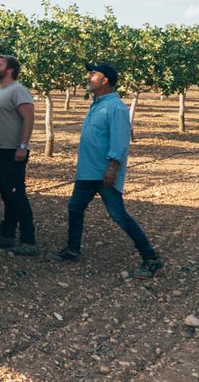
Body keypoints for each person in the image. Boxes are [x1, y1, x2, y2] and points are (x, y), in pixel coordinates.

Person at [57, 62, 163, 278]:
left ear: (104, 80)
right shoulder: (96, 103)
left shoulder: (115, 107)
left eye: (93, 74)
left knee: (118, 215)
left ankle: (151, 257)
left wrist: (112, 167)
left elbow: (120, 140)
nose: (89, 77)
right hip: (88, 171)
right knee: (75, 208)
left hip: (104, 173)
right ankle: (73, 249)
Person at [0, 54, 38, 256]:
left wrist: (22, 146)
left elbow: (29, 118)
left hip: (13, 152)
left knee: (17, 194)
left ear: (10, 69)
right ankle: (7, 235)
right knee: (7, 195)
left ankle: (29, 241)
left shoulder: (18, 90)